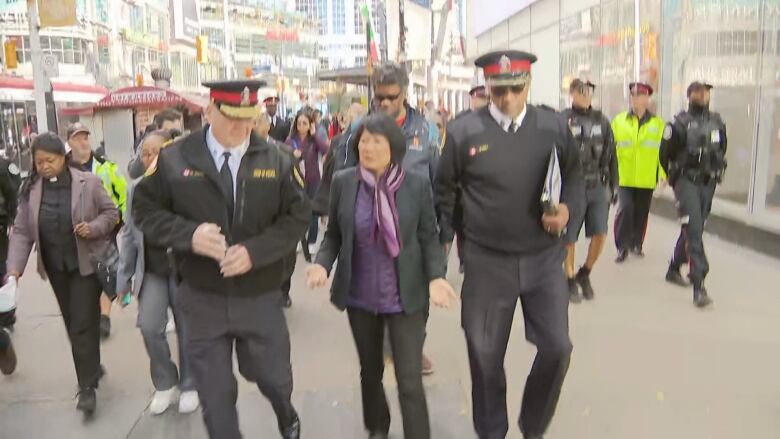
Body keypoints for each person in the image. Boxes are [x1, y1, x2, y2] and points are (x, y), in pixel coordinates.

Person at [132, 80, 309, 439]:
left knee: (272, 376)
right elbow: (144, 211)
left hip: (258, 295)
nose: (240, 129)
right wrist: (189, 236)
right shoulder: (173, 158)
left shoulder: (277, 157)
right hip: (202, 296)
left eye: (248, 119)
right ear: (209, 111)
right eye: (230, 119)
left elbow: (299, 215)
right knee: (216, 399)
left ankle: (286, 413)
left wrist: (255, 252)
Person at [436, 50, 584, 439]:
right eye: (498, 90)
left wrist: (567, 212)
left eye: (515, 89)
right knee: (484, 356)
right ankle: (492, 432)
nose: (506, 99)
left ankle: (532, 426)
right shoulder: (464, 131)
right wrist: (452, 251)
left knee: (558, 347)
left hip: (542, 260)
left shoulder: (551, 125)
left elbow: (575, 177)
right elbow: (445, 194)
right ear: (487, 87)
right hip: (487, 264)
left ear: (528, 85)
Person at [306, 114, 457, 439]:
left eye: (376, 141)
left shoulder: (415, 184)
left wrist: (436, 277)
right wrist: (322, 264)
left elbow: (428, 235)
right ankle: (377, 427)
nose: (368, 147)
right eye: (363, 140)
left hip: (406, 296)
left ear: (394, 147)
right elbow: (333, 234)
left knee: (409, 379)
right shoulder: (344, 182)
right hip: (361, 297)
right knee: (370, 372)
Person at [6, 133, 120, 414]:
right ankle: (92, 365)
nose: (44, 166)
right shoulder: (30, 189)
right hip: (56, 268)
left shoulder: (88, 182)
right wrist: (14, 270)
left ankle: (87, 388)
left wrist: (92, 227)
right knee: (74, 323)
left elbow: (111, 214)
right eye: (39, 161)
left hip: (86, 265)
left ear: (63, 157)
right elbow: (21, 232)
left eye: (50, 160)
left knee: (82, 322)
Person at [116, 130, 199, 415]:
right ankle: (166, 382)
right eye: (146, 153)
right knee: (150, 326)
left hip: (184, 269)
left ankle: (191, 383)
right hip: (151, 269)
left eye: (157, 152)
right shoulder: (136, 188)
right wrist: (123, 278)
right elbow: (129, 235)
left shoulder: (188, 185)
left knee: (188, 329)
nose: (151, 158)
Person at [659, 81, 726, 308]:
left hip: (707, 183)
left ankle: (673, 268)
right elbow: (664, 154)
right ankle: (699, 286)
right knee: (694, 230)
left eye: (706, 91)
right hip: (686, 181)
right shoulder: (678, 124)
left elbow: (721, 148)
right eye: (698, 91)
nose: (703, 95)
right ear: (689, 95)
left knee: (693, 227)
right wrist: (674, 178)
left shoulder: (717, 122)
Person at [66, 122, 127, 338]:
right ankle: (91, 313)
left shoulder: (106, 167)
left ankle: (104, 318)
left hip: (105, 228)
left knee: (106, 272)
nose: (83, 142)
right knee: (86, 275)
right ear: (69, 142)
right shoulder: (64, 169)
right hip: (76, 234)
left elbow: (122, 194)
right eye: (77, 138)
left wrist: (119, 220)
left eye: (85, 137)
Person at [560, 79, 618, 302]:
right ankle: (570, 276)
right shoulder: (562, 120)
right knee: (569, 235)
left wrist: (614, 185)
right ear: (572, 93)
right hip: (571, 186)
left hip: (597, 185)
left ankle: (585, 272)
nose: (586, 95)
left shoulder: (602, 121)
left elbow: (612, 156)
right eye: (581, 91)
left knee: (600, 233)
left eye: (589, 91)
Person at [611, 82, 666, 263]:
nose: (635, 98)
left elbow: (662, 153)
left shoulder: (658, 125)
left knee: (642, 212)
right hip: (625, 176)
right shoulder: (619, 121)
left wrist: (663, 176)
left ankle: (637, 243)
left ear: (647, 98)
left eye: (639, 95)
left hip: (646, 176)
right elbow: (610, 149)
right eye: (633, 95)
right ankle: (622, 246)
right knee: (626, 209)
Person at [255, 112, 298, 308]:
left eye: (257, 122)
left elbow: (298, 187)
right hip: (256, 220)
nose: (253, 126)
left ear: (267, 126)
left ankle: (283, 291)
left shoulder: (284, 152)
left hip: (281, 216)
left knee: (284, 258)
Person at [372, 63, 439, 185]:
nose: (385, 103)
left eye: (391, 97)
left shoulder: (428, 132)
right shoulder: (360, 131)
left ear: (404, 95)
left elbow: (440, 186)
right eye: (380, 97)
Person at [286, 110, 329, 256]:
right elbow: (284, 156)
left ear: (310, 124)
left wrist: (314, 134)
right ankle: (299, 239)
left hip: (313, 180)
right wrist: (292, 154)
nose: (301, 126)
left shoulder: (313, 140)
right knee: (297, 211)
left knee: (313, 211)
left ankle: (312, 241)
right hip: (296, 181)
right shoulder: (291, 140)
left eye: (305, 123)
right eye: (299, 123)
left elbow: (325, 150)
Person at [313, 103, 368, 216]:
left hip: (354, 191)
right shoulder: (340, 140)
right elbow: (330, 169)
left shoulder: (359, 138)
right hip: (344, 191)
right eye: (352, 116)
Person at [129, 109, 184, 179]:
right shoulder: (148, 143)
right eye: (168, 131)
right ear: (158, 129)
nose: (172, 136)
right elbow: (134, 173)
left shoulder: (183, 145)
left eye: (176, 132)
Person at [0, 156, 21, 329]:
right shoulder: (6, 164)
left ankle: (7, 314)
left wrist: (12, 218)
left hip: (1, 223)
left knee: (3, 269)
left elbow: (13, 190)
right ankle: (7, 315)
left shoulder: (4, 164)